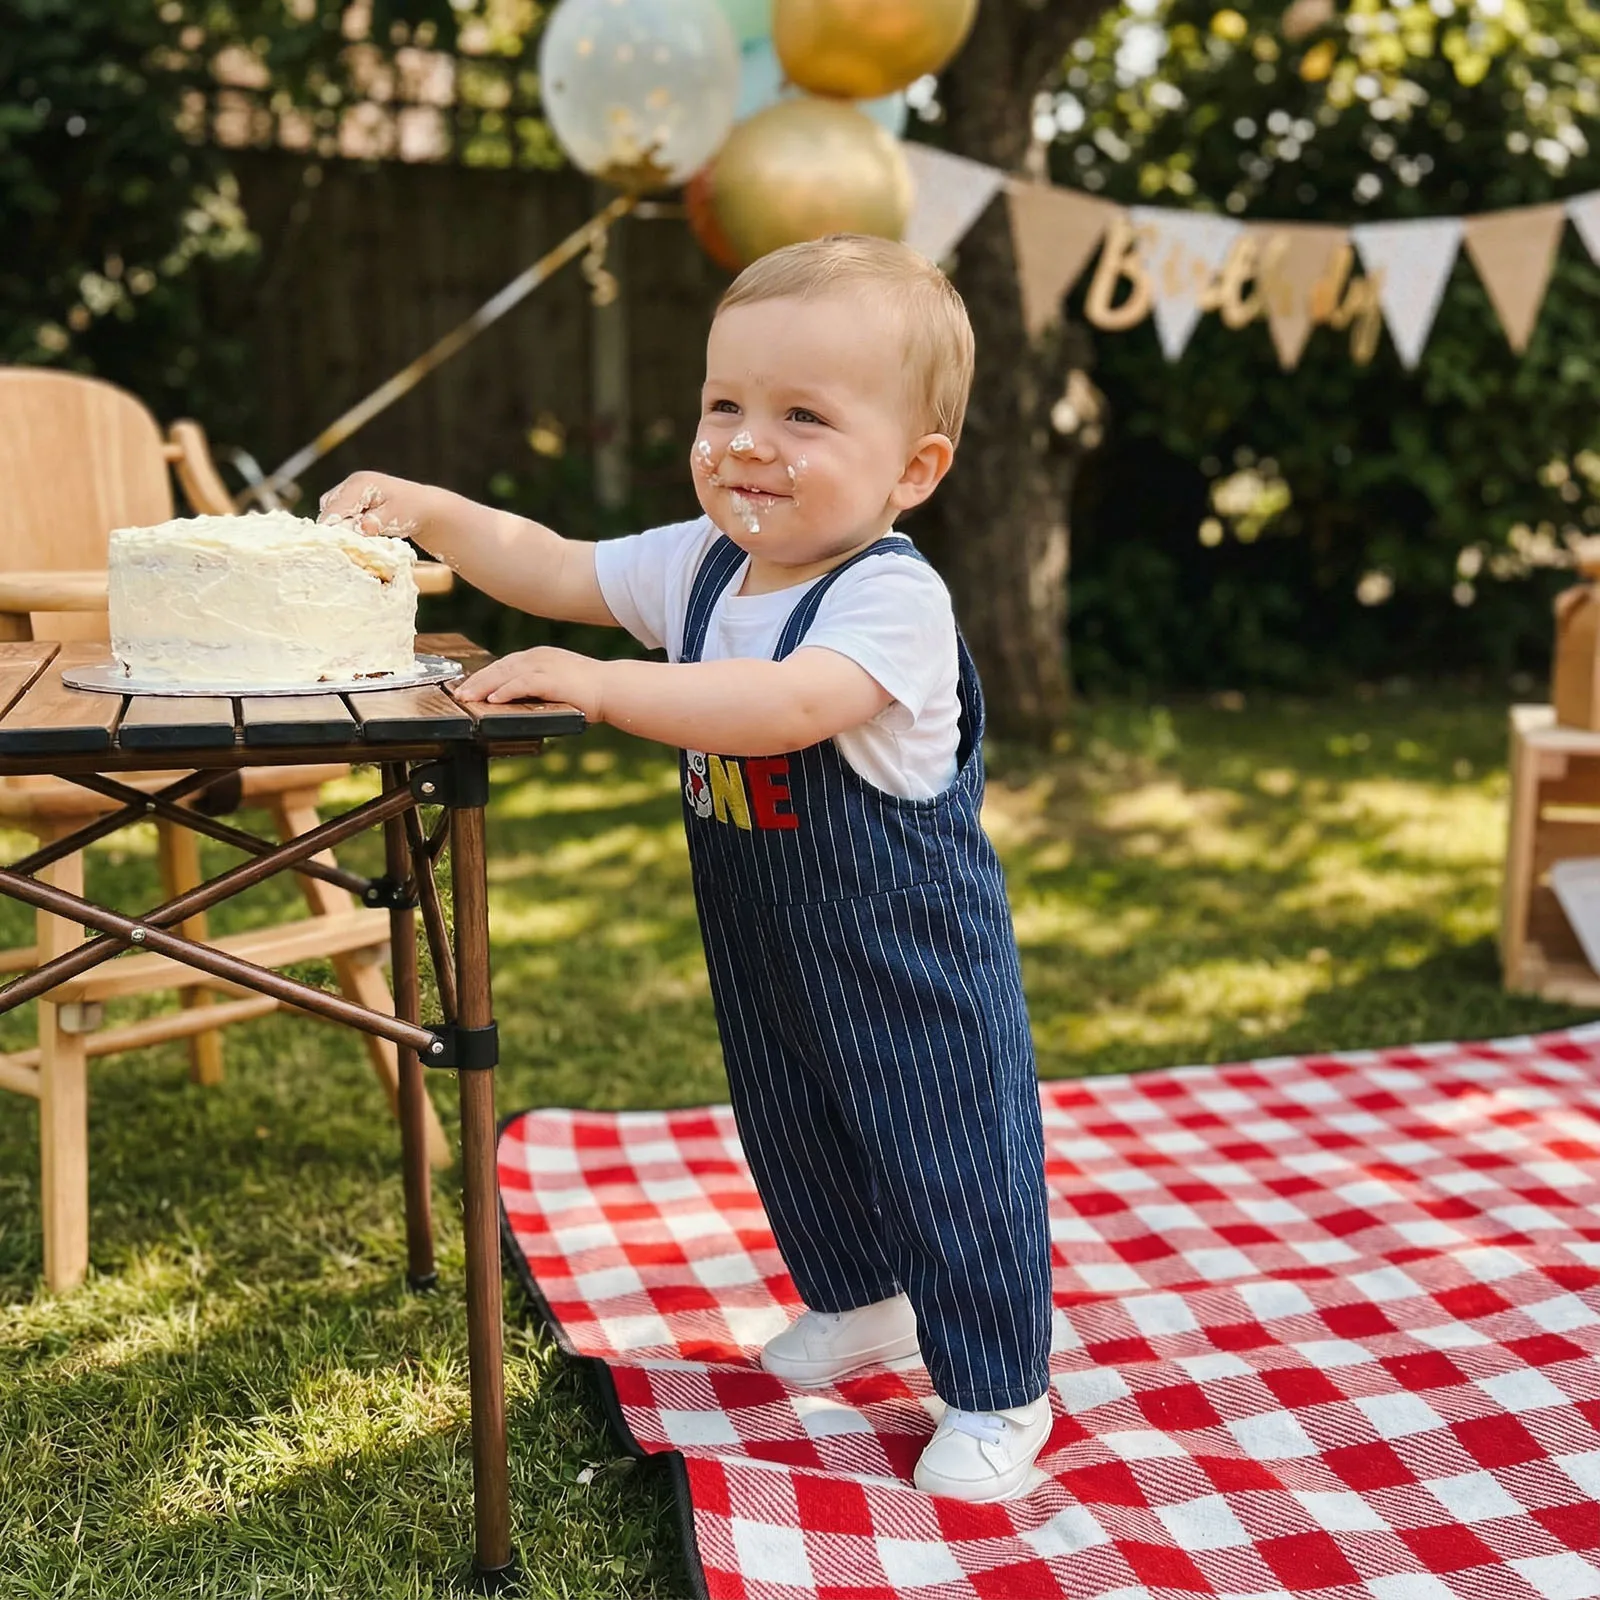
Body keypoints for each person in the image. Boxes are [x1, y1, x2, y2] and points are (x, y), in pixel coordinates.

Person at [319, 233, 1055, 1502]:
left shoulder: (888, 601)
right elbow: (552, 567)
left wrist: (604, 687)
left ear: (913, 469)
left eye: (804, 416)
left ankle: (997, 1388)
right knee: (794, 1126)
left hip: (907, 958)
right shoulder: (702, 563)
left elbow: (779, 706)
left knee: (947, 1152)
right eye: (725, 404)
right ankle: (860, 1301)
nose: (747, 442)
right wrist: (434, 511)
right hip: (769, 940)